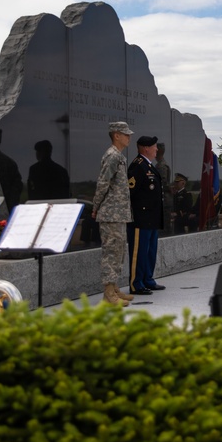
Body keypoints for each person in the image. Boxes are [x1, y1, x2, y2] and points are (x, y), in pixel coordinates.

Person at [91, 122, 135, 306]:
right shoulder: (112, 156)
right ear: (116, 135)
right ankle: (108, 294)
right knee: (111, 252)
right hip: (110, 214)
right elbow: (103, 183)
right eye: (125, 134)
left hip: (119, 214)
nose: (129, 137)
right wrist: (96, 206)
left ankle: (115, 288)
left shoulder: (119, 157)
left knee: (119, 252)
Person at [127, 135, 165, 294]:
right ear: (146, 148)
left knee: (150, 250)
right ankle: (136, 283)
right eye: (154, 146)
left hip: (152, 217)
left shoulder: (149, 166)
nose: (157, 149)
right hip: (141, 218)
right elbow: (130, 192)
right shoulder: (138, 166)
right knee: (139, 251)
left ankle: (148, 279)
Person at [154, 142, 173, 233]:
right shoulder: (160, 165)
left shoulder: (161, 166)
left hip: (163, 201)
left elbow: (163, 183)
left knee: (164, 228)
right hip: (163, 200)